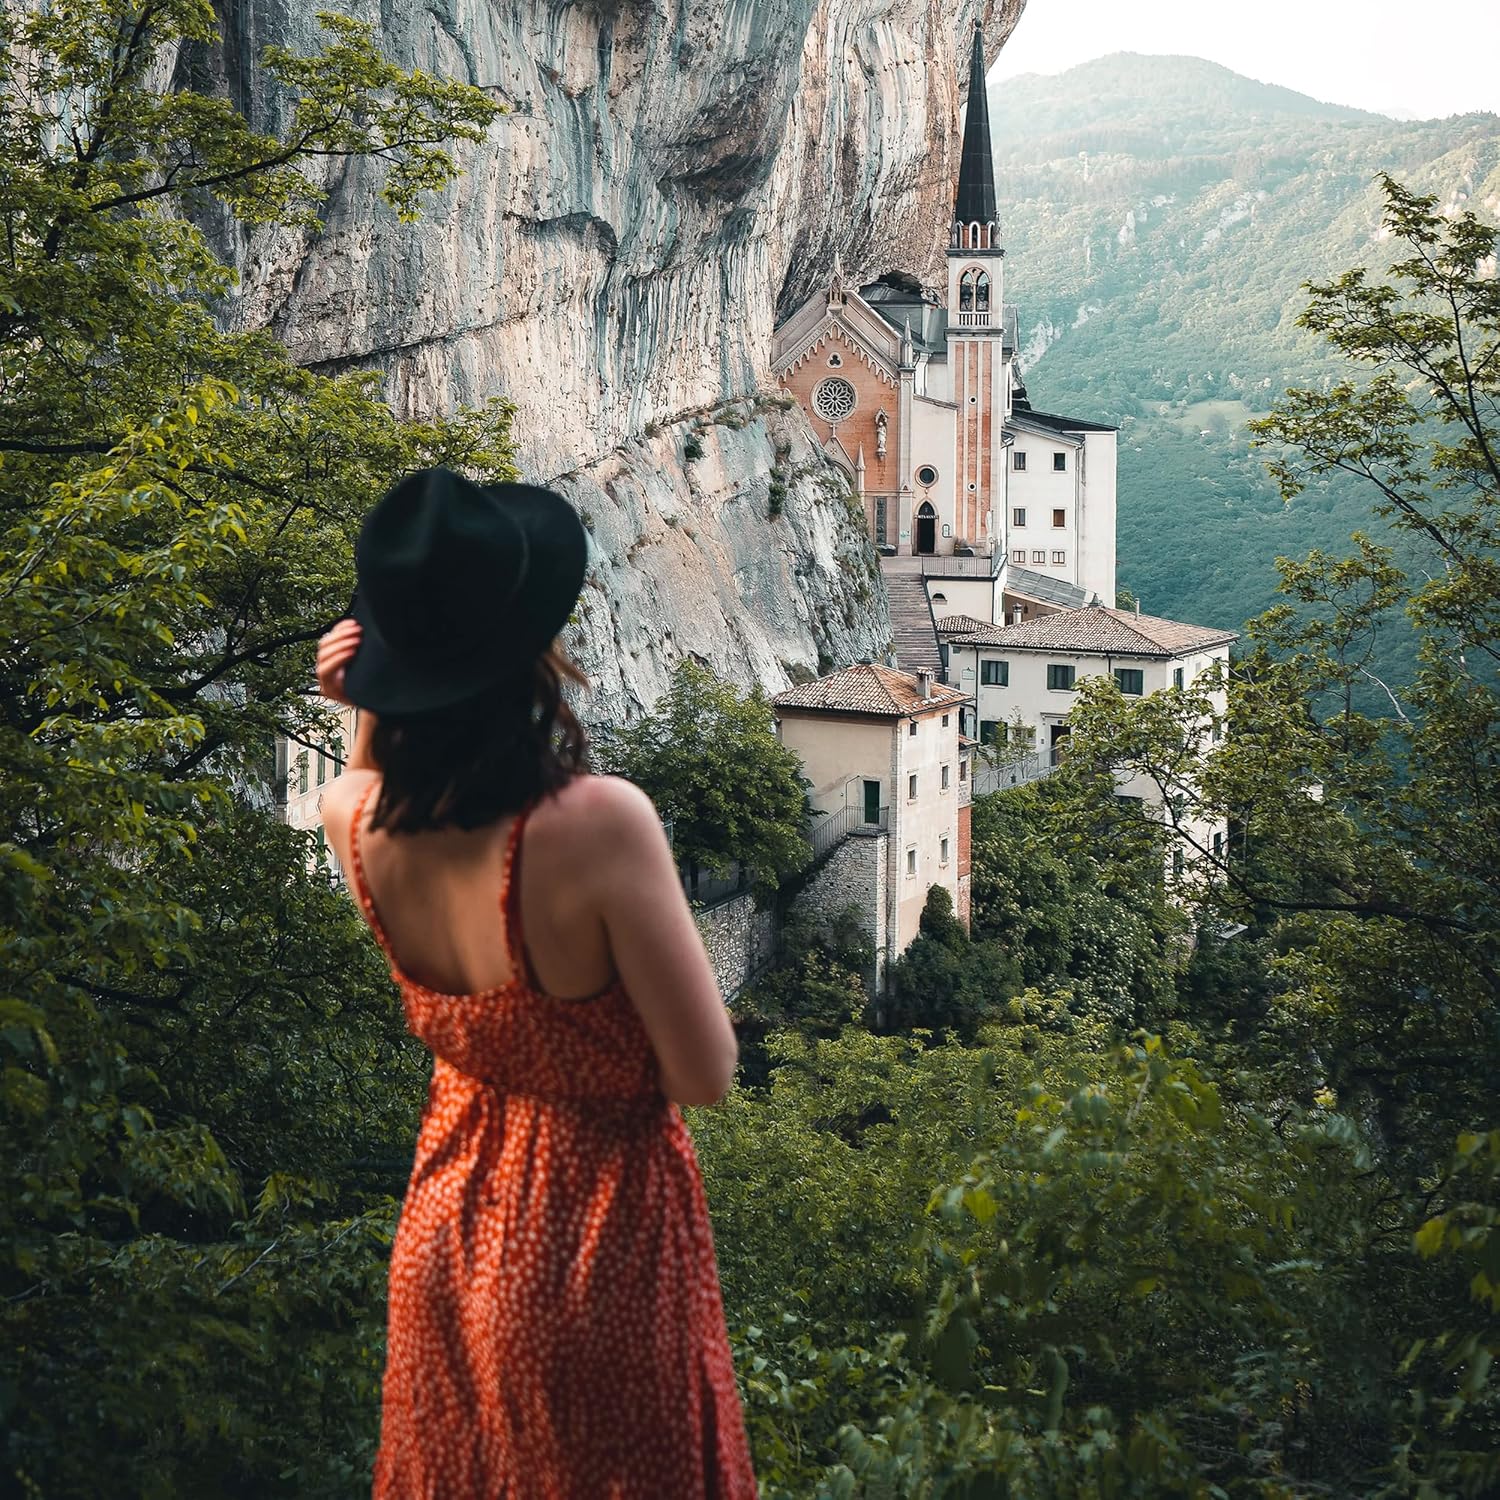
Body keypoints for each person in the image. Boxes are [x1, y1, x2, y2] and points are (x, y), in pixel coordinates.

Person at [317, 467, 755, 1498]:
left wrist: (360, 705)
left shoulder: (350, 822)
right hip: (594, 1251)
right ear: (530, 651)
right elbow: (705, 1075)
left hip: (447, 1229)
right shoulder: (599, 826)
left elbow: (371, 780)